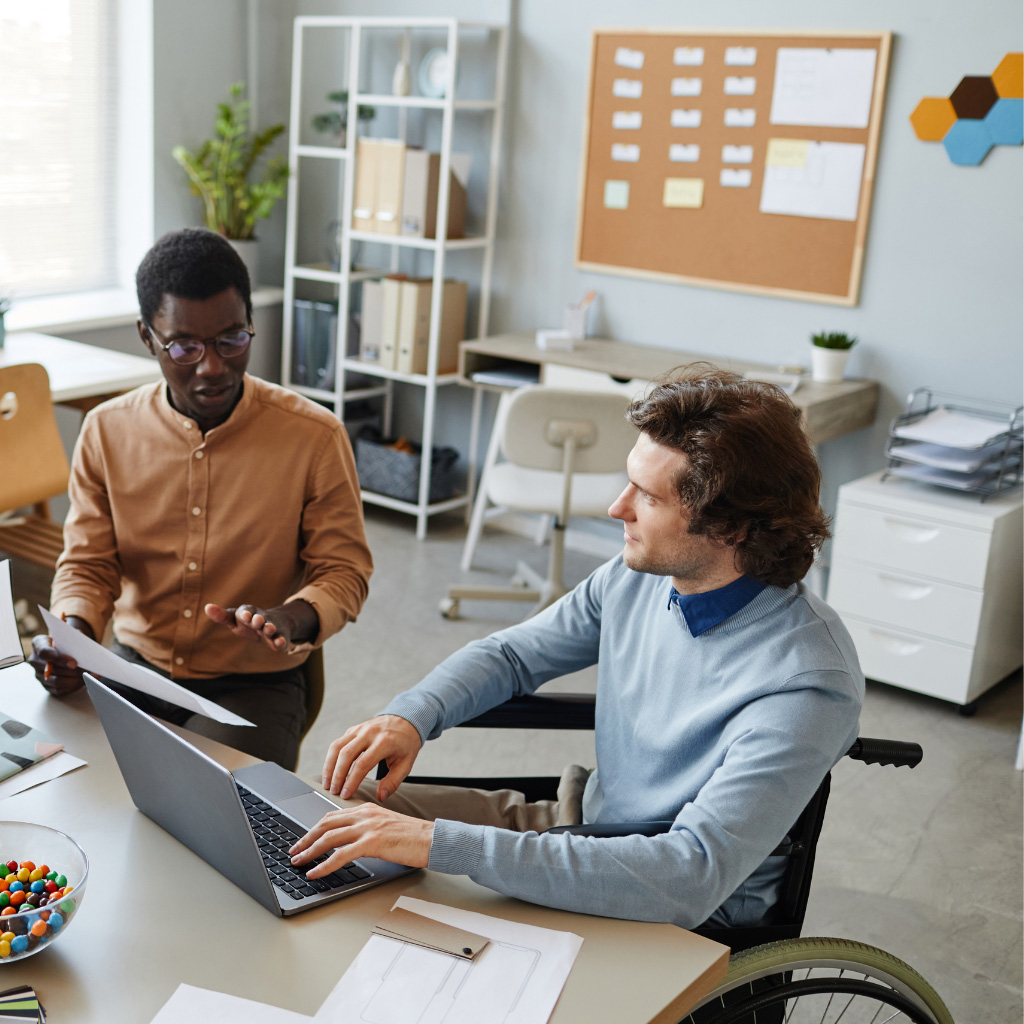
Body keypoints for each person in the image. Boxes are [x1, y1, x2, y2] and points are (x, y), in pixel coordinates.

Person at [288, 365, 865, 930]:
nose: (617, 508)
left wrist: (443, 846)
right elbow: (514, 655)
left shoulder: (807, 682)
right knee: (337, 809)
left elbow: (689, 874)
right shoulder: (638, 576)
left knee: (396, 873)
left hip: (664, 905)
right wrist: (412, 716)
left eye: (648, 497)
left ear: (735, 528)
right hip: (579, 823)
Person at [30, 228, 372, 769]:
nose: (212, 366)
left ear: (251, 325)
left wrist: (294, 617)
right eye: (184, 346)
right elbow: (89, 564)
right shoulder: (106, 431)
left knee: (216, 817)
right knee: (55, 776)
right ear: (148, 337)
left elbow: (343, 570)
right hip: (134, 668)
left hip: (255, 686)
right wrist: (74, 641)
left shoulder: (314, 437)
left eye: (232, 340)